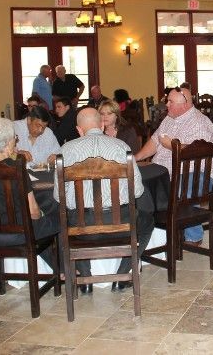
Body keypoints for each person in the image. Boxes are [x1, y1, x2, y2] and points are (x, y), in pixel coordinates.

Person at [59, 107, 154, 291]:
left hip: (81, 226)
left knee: (63, 224)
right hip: (121, 224)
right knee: (147, 222)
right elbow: (137, 191)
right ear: (102, 125)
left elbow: (59, 197)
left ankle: (85, 278)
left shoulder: (65, 150)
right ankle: (123, 275)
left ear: (79, 129)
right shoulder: (122, 147)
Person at [134, 86, 213, 244]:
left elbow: (199, 151)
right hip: (165, 171)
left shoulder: (199, 122)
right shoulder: (169, 119)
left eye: (171, 102)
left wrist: (172, 145)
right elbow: (154, 141)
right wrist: (136, 157)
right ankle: (153, 235)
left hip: (195, 174)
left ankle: (193, 235)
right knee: (138, 182)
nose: (167, 104)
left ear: (185, 105)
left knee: (181, 187)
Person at [0, 117, 59, 271]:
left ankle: (53, 269)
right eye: (15, 138)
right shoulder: (15, 168)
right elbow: (34, 213)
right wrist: (43, 214)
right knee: (58, 218)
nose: (16, 142)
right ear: (8, 142)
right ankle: (61, 269)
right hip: (17, 234)